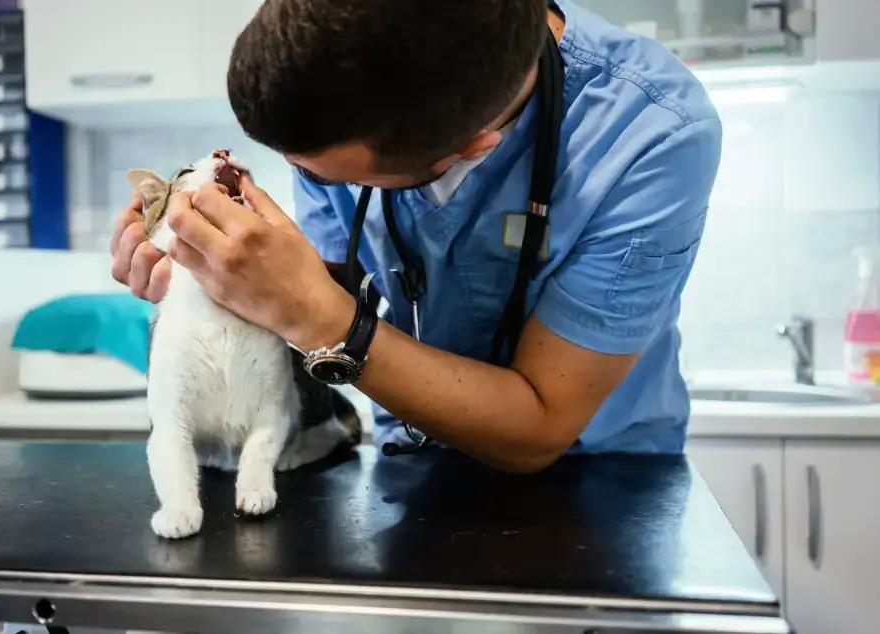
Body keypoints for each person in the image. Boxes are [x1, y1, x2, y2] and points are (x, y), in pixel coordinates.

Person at [109, 0, 722, 474]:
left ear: (472, 146)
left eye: (322, 174)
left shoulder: (650, 136)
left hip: (595, 489)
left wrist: (321, 319)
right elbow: (320, 289)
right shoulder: (353, 90)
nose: (309, 183)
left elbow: (539, 425)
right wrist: (221, 283)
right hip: (412, 469)